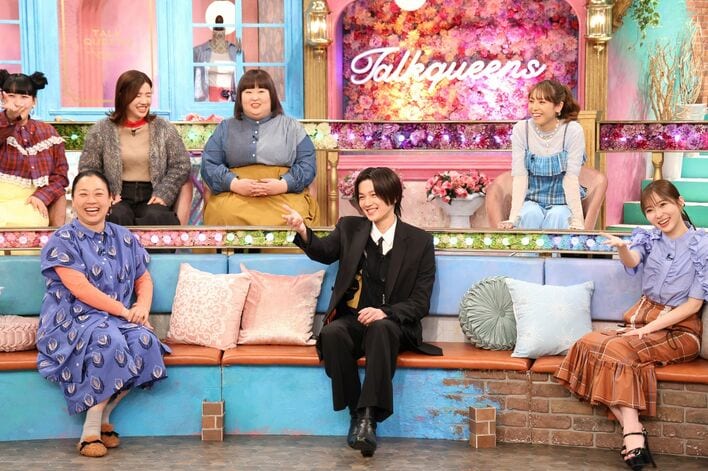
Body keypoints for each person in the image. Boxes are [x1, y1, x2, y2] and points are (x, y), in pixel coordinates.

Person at [282, 167, 442, 457]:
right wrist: (302, 230)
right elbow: (323, 251)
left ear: (393, 196)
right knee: (332, 334)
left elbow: (420, 302)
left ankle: (368, 418)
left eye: (374, 195)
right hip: (354, 319)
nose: (367, 202)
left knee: (381, 328)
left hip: (394, 324)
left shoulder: (419, 241)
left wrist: (385, 312)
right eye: (362, 196)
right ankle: (358, 416)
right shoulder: (350, 228)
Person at [555, 180, 706, 470]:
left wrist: (646, 330)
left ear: (680, 202)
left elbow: (693, 305)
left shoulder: (702, 246)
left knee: (616, 351)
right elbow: (633, 260)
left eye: (664, 205)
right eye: (650, 210)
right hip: (642, 319)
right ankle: (633, 428)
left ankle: (633, 435)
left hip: (680, 329)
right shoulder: (649, 239)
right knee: (587, 343)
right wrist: (623, 247)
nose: (658, 214)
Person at [36, 170, 170, 458]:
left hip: (116, 319)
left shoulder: (124, 237)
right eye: (83, 194)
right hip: (70, 320)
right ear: (73, 200)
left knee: (145, 341)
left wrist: (142, 307)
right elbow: (80, 289)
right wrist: (125, 311)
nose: (91, 201)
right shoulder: (62, 239)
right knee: (110, 341)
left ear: (111, 199)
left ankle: (104, 416)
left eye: (99, 194)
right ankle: (90, 433)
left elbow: (143, 278)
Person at [201, 69, 318, 226]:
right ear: (240, 97)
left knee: (294, 218)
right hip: (235, 194)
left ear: (271, 96)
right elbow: (209, 164)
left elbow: (307, 164)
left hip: (284, 194)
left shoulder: (292, 127)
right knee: (222, 214)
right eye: (248, 92)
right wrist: (234, 184)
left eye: (261, 91)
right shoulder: (225, 127)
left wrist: (283, 185)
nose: (255, 97)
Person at [79, 70, 191, 227]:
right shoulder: (101, 129)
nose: (144, 101)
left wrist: (164, 193)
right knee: (117, 216)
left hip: (153, 194)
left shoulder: (163, 128)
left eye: (148, 95)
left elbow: (181, 165)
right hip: (118, 195)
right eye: (138, 95)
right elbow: (88, 168)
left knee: (156, 216)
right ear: (122, 96)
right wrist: (106, 193)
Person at [500, 79, 586, 230]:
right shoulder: (522, 129)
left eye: (542, 102)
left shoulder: (572, 130)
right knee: (529, 214)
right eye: (531, 101)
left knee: (558, 215)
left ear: (558, 106)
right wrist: (513, 218)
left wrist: (578, 220)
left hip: (562, 202)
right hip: (531, 200)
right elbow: (520, 177)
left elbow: (571, 178)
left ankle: (555, 247)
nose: (534, 108)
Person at [0, 69, 69, 227]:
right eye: (11, 96)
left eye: (24, 97)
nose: (18, 103)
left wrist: (42, 195)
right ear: (3, 99)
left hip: (31, 202)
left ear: (34, 101)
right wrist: (10, 119)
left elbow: (60, 176)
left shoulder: (48, 132)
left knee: (35, 219)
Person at [194, 14, 241, 102]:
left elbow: (242, 79)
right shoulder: (199, 51)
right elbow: (193, 79)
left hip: (230, 100)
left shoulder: (236, 52)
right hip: (207, 101)